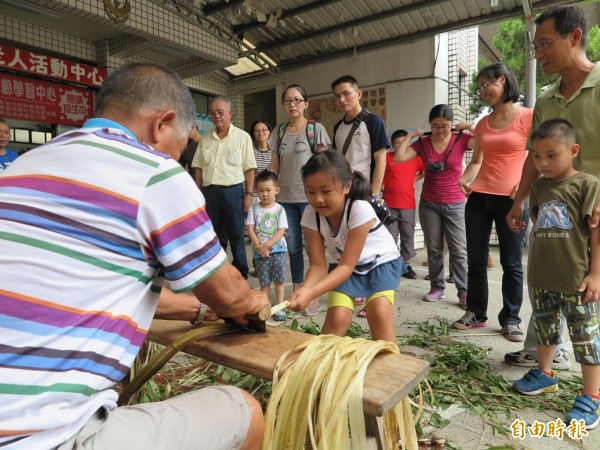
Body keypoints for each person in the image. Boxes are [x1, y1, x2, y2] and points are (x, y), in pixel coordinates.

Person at [0, 62, 268, 450]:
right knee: (246, 411)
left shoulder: (21, 168)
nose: (176, 159)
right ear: (162, 124)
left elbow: (85, 288)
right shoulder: (154, 173)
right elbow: (229, 296)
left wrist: (195, 311)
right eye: (178, 148)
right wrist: (252, 300)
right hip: (41, 437)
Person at [505, 4, 600, 371]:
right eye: (535, 46)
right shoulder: (545, 99)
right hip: (554, 213)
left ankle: (590, 385)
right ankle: (547, 358)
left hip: (593, 211)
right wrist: (518, 201)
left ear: (574, 37)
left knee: (588, 294)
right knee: (544, 282)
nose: (538, 53)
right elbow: (533, 156)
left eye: (544, 43)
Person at [512, 119, 600, 429]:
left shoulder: (587, 184)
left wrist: (596, 274)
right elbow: (539, 223)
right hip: (542, 277)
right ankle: (545, 375)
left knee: (585, 338)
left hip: (576, 280)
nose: (543, 163)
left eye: (552, 155)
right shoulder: (537, 188)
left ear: (573, 150)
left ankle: (592, 396)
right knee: (545, 329)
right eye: (536, 156)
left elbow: (596, 233)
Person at [286, 150, 404, 341]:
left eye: (326, 191)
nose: (318, 199)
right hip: (344, 266)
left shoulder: (359, 209)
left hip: (380, 264)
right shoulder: (310, 214)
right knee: (337, 318)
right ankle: (321, 365)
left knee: (379, 312)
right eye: (311, 192)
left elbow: (347, 266)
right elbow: (317, 264)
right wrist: (304, 290)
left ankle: (391, 365)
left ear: (346, 186)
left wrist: (311, 292)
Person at [451, 63, 532, 339]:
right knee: (475, 260)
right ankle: (475, 312)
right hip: (479, 198)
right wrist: (465, 177)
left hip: (512, 200)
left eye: (486, 84)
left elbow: (537, 159)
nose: (483, 91)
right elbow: (476, 161)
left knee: (511, 262)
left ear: (502, 79)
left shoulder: (527, 117)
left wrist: (524, 187)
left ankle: (510, 318)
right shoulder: (484, 123)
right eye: (479, 88)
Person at [393, 104, 473, 308]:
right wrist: (411, 134)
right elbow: (399, 156)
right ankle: (437, 287)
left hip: (455, 203)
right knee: (434, 249)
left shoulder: (460, 140)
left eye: (445, 126)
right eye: (436, 126)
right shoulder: (423, 143)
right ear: (429, 124)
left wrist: (471, 127)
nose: (440, 130)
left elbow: (484, 144)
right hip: (429, 204)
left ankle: (464, 291)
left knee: (459, 250)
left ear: (451, 125)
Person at [269, 84, 330, 314]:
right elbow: (275, 165)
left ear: (306, 103)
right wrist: (270, 192)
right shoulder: (279, 131)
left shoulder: (315, 129)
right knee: (293, 249)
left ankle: (312, 293)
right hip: (285, 199)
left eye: (297, 100)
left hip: (310, 200)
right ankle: (297, 294)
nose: (292, 104)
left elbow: (324, 164)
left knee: (313, 250)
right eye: (288, 101)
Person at [331, 75, 390, 314]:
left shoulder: (373, 122)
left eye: (346, 93)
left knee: (370, 245)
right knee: (348, 242)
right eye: (337, 96)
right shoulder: (338, 126)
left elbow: (381, 159)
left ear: (359, 94)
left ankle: (372, 297)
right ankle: (354, 291)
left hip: (365, 192)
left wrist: (373, 194)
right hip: (343, 192)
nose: (342, 99)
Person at [192, 96, 256, 279]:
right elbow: (198, 167)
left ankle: (241, 272)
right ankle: (218, 272)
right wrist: (198, 194)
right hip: (209, 192)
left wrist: (249, 194)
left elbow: (249, 168)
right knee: (213, 234)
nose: (217, 116)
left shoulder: (242, 137)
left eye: (220, 112)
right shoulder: (205, 139)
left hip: (233, 191)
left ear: (230, 114)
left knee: (236, 233)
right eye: (213, 113)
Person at [246, 170, 289, 321]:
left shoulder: (280, 209)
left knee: (279, 281)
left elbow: (281, 230)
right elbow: (250, 229)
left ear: (276, 190)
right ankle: (265, 309)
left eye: (268, 190)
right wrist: (259, 246)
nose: (265, 194)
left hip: (278, 251)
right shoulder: (253, 209)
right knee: (264, 283)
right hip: (259, 252)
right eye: (261, 191)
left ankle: (280, 308)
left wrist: (267, 246)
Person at [382, 129, 424, 280]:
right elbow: (379, 174)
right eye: (397, 143)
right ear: (392, 144)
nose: (400, 146)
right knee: (390, 236)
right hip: (388, 203)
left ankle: (406, 265)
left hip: (408, 203)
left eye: (403, 142)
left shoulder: (415, 158)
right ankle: (392, 264)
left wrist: (413, 180)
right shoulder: (386, 157)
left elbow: (424, 172)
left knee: (407, 235)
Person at [249, 119, 273, 203]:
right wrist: (265, 172)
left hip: (271, 196)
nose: (260, 132)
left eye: (263, 130)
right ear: (253, 134)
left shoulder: (274, 152)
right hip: (253, 196)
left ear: (269, 132)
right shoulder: (249, 151)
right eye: (257, 130)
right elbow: (248, 177)